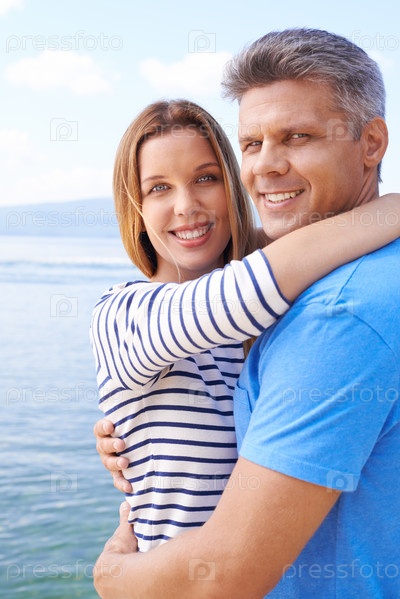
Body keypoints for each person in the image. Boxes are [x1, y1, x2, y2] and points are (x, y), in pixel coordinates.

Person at [93, 29, 400, 598]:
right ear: (133, 207)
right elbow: (244, 288)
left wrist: (112, 579)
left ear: (372, 142)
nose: (186, 205)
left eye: (207, 178)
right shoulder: (126, 312)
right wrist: (385, 213)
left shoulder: (332, 312)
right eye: (157, 189)